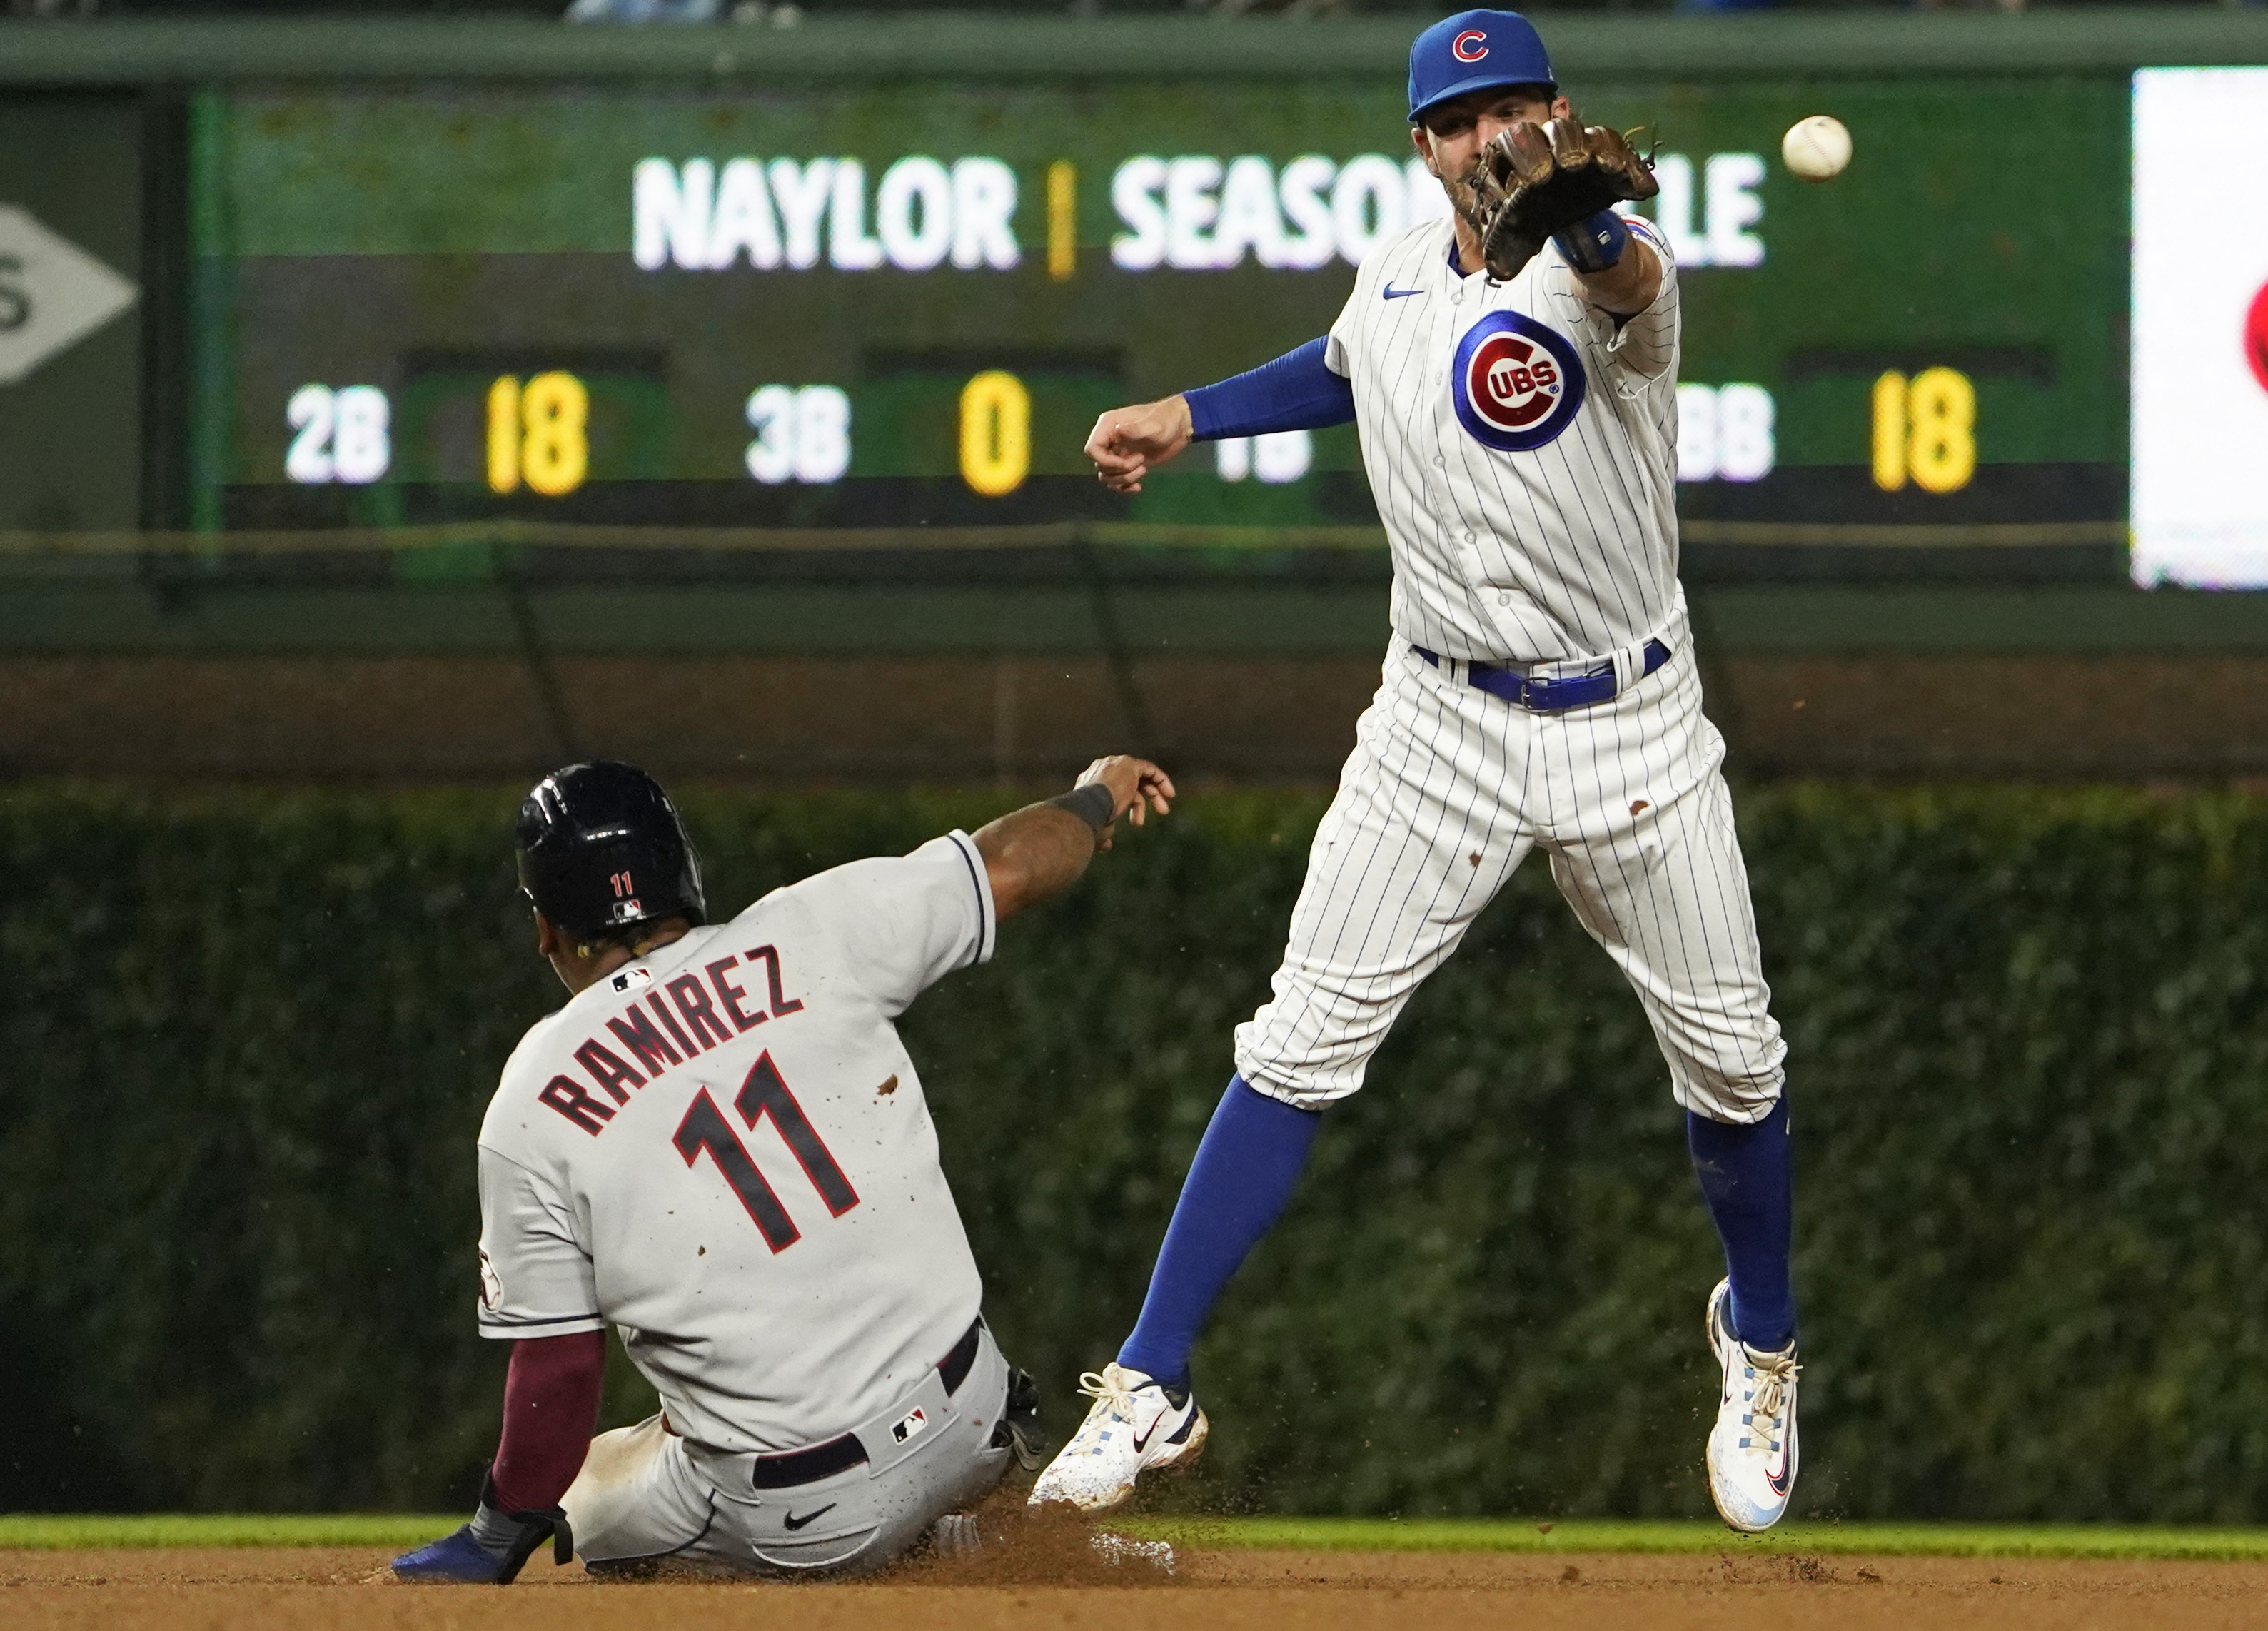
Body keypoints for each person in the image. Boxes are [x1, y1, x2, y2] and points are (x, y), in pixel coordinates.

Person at [1027, 8, 1798, 1533]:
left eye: (1512, 111)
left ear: (1555, 116)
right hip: (1437, 721)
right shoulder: (1390, 261)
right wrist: (1192, 413)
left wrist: (1584, 223)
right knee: (1297, 1036)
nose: (1484, 138)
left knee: (1737, 1062)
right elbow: (1346, 364)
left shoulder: (1615, 270)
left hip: (1631, 729)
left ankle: (1761, 1343)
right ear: (1420, 146)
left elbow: (1621, 280)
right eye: (1457, 122)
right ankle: (1152, 1378)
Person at [393, 752, 1175, 1582]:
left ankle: (878, 1554)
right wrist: (1095, 798)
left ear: (546, 924)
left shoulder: (533, 1100)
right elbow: (1014, 862)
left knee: (582, 1494)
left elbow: (559, 1368)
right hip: (974, 1416)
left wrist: (498, 1526)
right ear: (682, 871)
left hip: (802, 1517)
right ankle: (961, 1532)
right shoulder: (812, 928)